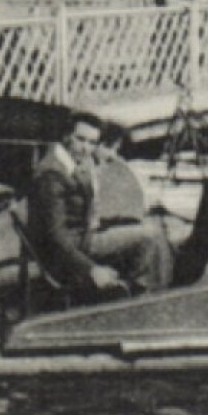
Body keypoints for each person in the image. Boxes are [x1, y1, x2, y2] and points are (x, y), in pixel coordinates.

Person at [28, 112, 174, 299]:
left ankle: (139, 287)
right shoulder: (52, 174)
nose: (85, 148)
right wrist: (91, 269)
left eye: (91, 142)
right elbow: (56, 236)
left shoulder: (68, 163)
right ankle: (149, 298)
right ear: (66, 136)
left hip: (82, 237)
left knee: (148, 227)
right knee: (150, 236)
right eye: (80, 139)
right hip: (74, 248)